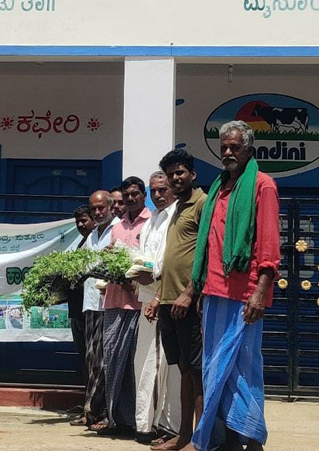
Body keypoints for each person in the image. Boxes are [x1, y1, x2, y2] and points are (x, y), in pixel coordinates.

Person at [188, 121, 280, 451]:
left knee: (243, 368)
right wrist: (199, 290)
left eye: (235, 147)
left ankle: (252, 439)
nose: (228, 152)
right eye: (224, 147)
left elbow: (269, 244)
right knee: (215, 369)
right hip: (213, 292)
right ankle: (223, 439)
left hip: (245, 296)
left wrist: (260, 292)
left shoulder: (262, 185)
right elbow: (209, 244)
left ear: (249, 150)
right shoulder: (217, 188)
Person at [150, 149, 207, 451]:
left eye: (180, 172)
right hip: (168, 301)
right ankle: (184, 435)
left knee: (196, 372)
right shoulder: (176, 208)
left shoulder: (203, 204)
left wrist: (190, 293)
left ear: (192, 175)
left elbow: (208, 252)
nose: (175, 178)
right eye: (171, 174)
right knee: (184, 370)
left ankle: (200, 439)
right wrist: (160, 296)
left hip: (188, 302)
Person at [91, 176, 150, 437]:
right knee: (113, 361)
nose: (130, 199)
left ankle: (139, 422)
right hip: (114, 301)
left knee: (136, 365)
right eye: (126, 195)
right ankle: (117, 419)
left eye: (135, 194)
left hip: (138, 303)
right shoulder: (117, 226)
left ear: (144, 195)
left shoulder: (151, 223)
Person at [137, 171, 180, 444]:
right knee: (146, 363)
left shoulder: (176, 218)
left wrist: (157, 294)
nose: (157, 195)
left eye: (162, 189)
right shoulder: (152, 219)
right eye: (153, 190)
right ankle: (147, 423)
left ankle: (165, 425)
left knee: (166, 366)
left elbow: (173, 263)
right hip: (147, 297)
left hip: (166, 299)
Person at [80, 190, 120, 429]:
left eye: (101, 207)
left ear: (111, 206)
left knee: (106, 360)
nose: (97, 212)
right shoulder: (93, 234)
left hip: (109, 304)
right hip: (91, 303)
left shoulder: (118, 230)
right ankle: (92, 409)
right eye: (93, 208)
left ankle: (102, 411)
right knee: (92, 358)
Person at [66, 205, 95, 426]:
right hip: (77, 309)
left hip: (90, 309)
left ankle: (92, 408)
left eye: (84, 220)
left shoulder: (96, 242)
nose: (80, 225)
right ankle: (87, 401)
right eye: (78, 221)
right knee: (84, 357)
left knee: (92, 359)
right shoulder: (81, 243)